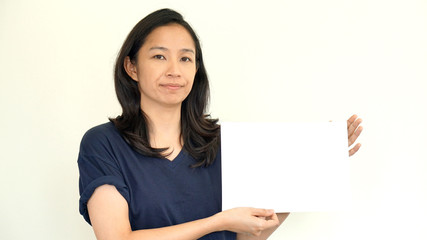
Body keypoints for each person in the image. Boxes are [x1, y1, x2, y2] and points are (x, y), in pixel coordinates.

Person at [77, 8, 363, 240]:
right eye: (159, 56)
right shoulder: (103, 144)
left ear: (196, 69)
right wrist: (216, 222)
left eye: (186, 58)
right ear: (132, 67)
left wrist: (313, 168)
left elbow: (246, 237)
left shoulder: (224, 144)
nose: (174, 70)